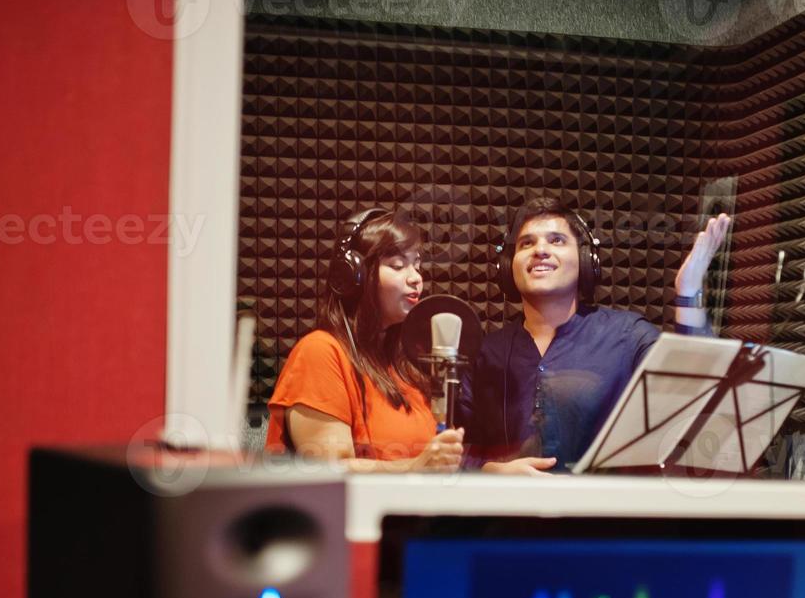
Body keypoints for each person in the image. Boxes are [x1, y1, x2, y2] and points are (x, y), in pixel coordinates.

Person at [459, 196, 731, 475]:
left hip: (607, 516)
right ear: (508, 267)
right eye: (527, 243)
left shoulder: (628, 336)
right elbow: (457, 453)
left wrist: (688, 293)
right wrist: (491, 471)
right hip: (510, 516)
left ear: (587, 261)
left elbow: (699, 395)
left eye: (557, 240)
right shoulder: (487, 353)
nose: (540, 250)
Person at [265, 208, 464, 472]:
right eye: (398, 265)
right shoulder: (320, 352)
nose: (416, 277)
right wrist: (415, 467)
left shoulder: (407, 367)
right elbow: (331, 472)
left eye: (416, 264)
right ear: (356, 276)